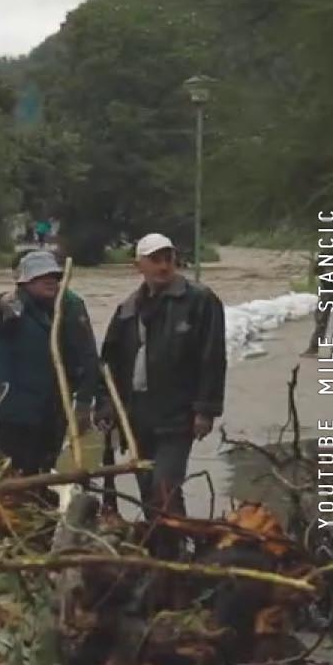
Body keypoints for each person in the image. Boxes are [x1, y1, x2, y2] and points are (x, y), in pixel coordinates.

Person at [94, 233, 226, 559]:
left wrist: (205, 409)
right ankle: (162, 553)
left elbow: (212, 357)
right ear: (138, 265)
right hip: (137, 416)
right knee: (146, 488)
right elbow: (109, 364)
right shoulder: (127, 310)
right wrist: (107, 406)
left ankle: (177, 555)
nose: (164, 265)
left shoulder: (199, 301)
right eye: (155, 259)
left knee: (164, 488)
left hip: (177, 413)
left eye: (168, 258)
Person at [0, 250, 100, 479]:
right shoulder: (12, 305)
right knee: (9, 474)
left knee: (43, 472)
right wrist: (4, 302)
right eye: (40, 276)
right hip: (12, 411)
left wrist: (85, 401)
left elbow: (87, 357)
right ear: (25, 281)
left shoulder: (70, 307)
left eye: (54, 276)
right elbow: (3, 310)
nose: (50, 281)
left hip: (52, 410)